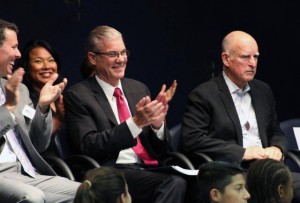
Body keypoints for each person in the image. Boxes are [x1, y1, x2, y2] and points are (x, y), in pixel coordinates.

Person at [63, 25, 185, 203]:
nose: (121, 59)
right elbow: (88, 145)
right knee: (174, 183)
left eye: (123, 52)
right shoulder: (78, 95)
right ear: (92, 58)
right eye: (112, 54)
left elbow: (161, 150)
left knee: (198, 181)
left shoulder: (138, 88)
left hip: (150, 168)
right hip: (112, 171)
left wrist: (157, 125)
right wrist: (135, 123)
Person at [181, 30, 300, 202]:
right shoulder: (204, 95)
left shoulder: (263, 91)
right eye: (245, 57)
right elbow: (192, 139)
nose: (253, 63)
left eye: (256, 57)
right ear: (226, 59)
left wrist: (278, 148)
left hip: (268, 170)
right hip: (234, 172)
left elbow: (276, 131)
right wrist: (243, 152)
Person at [0, 18, 80, 202]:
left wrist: (43, 107)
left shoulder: (19, 89)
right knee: (33, 198)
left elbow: (38, 144)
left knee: (89, 192)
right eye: (13, 47)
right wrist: (8, 107)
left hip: (26, 171)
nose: (18, 54)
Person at [19, 39, 64, 155]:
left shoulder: (62, 97)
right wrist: (58, 119)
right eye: (38, 61)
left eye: (51, 60)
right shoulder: (23, 100)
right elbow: (33, 140)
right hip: (48, 165)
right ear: (27, 66)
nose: (47, 66)